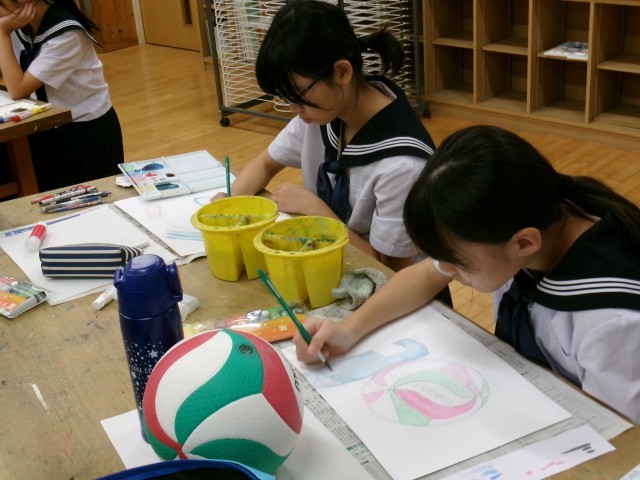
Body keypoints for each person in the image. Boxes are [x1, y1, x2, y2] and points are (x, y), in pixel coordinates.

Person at [293, 125, 640, 424]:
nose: (446, 269)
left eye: (457, 263)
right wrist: (349, 329)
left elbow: (621, 437)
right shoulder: (523, 222)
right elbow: (424, 276)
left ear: (524, 243)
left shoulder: (612, 321)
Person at [213, 0, 437, 273]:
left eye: (298, 95)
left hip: (388, 287)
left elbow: (391, 271)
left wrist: (316, 211)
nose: (294, 109)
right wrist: (231, 205)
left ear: (342, 72)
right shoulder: (325, 112)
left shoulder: (401, 166)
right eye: (286, 98)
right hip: (332, 265)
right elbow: (265, 163)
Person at [0, 0, 123, 192]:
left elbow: (17, 89)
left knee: (91, 201)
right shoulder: (16, 27)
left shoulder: (67, 33)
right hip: (46, 126)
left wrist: (2, 34)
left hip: (84, 132)